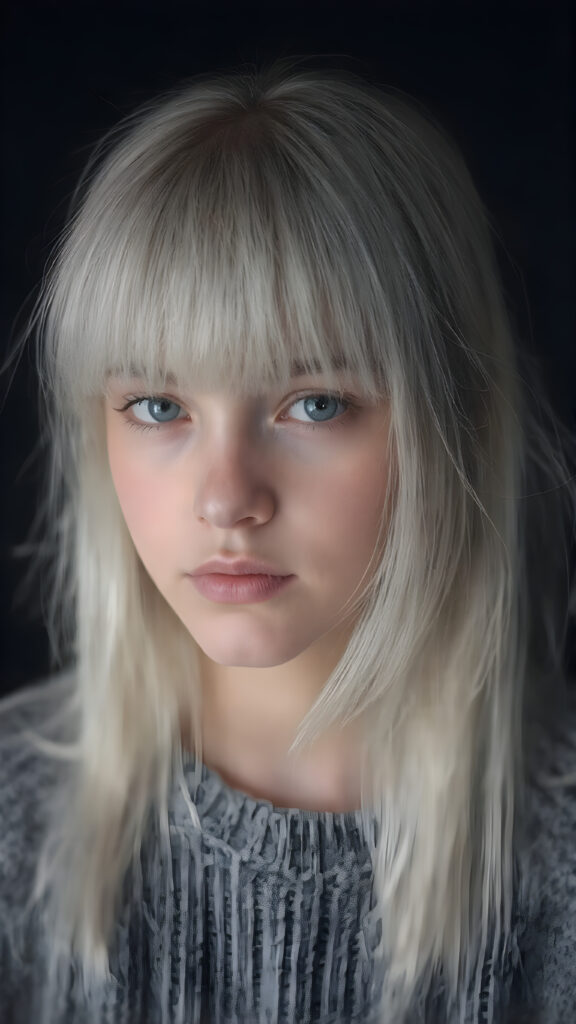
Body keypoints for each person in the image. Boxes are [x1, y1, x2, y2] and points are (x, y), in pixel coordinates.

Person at [0, 59, 575, 1024]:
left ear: (457, 420)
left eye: (314, 404)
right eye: (157, 405)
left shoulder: (556, 852)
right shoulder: (17, 830)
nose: (227, 498)